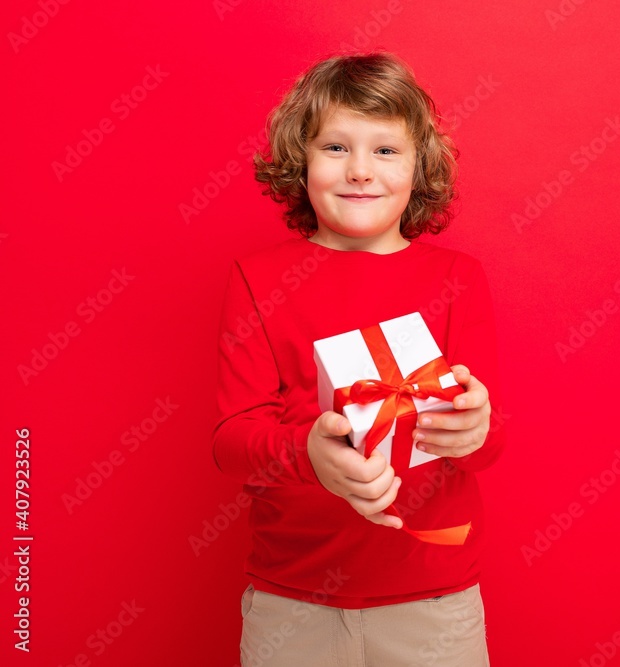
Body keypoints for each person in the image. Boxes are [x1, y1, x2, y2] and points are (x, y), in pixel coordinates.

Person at [212, 51, 505, 667]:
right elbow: (231, 441)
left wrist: (475, 429)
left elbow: (488, 444)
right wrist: (307, 456)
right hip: (293, 600)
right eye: (336, 148)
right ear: (301, 160)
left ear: (420, 166)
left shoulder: (457, 278)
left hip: (433, 596)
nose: (361, 172)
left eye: (386, 151)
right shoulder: (257, 279)